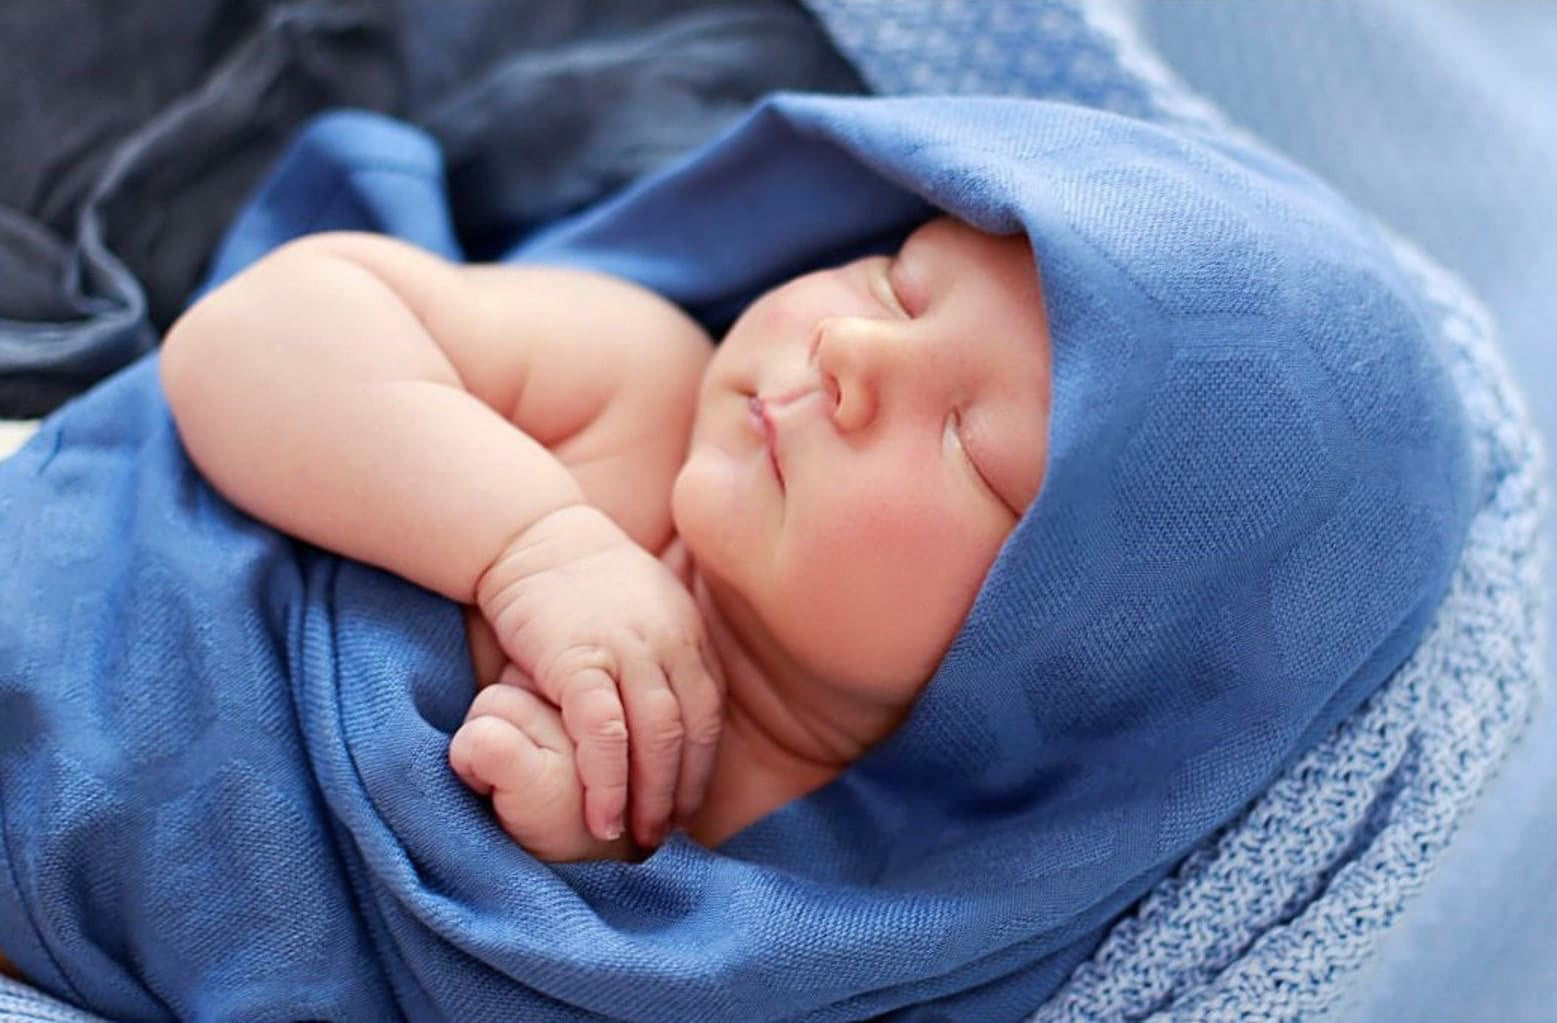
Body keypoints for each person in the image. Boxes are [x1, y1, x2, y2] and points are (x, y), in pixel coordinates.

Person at [155, 215, 1052, 865]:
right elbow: (255, 330)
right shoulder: (633, 385)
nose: (849, 345)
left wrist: (585, 851)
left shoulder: (859, 891)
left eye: (967, 446)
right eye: (894, 285)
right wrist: (539, 545)